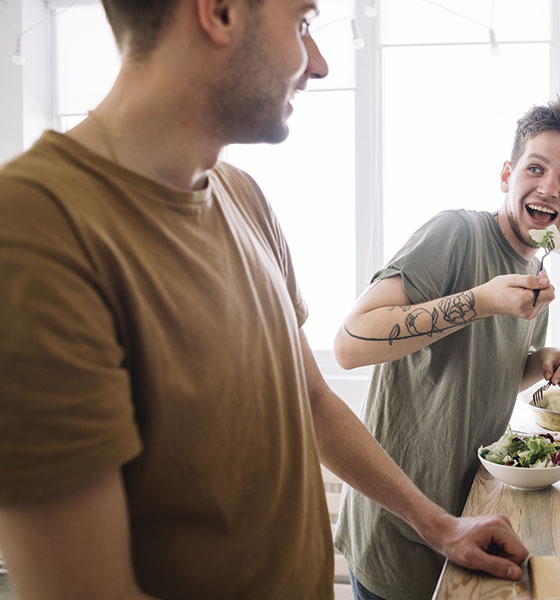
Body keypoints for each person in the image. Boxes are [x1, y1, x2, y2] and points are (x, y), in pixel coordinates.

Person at [0, 1, 530, 598]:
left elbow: (313, 401)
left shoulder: (242, 196)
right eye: (302, 23)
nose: (320, 63)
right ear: (220, 12)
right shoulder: (35, 231)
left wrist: (439, 525)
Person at [333, 95, 560, 600]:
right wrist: (481, 301)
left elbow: (489, 372)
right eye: (536, 168)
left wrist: (542, 363)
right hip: (397, 532)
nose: (549, 187)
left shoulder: (535, 275)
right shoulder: (454, 233)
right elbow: (350, 342)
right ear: (507, 175)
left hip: (469, 521)